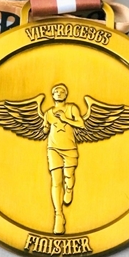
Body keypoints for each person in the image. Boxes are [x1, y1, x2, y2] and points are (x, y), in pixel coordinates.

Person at [43, 84, 85, 234]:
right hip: (53, 148)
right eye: (56, 91)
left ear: (66, 95)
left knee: (69, 175)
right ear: (52, 95)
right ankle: (58, 215)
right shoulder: (48, 113)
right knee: (56, 181)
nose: (59, 93)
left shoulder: (72, 108)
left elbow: (81, 124)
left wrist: (66, 119)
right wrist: (45, 127)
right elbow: (45, 129)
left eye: (62, 91)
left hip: (69, 148)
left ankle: (69, 189)